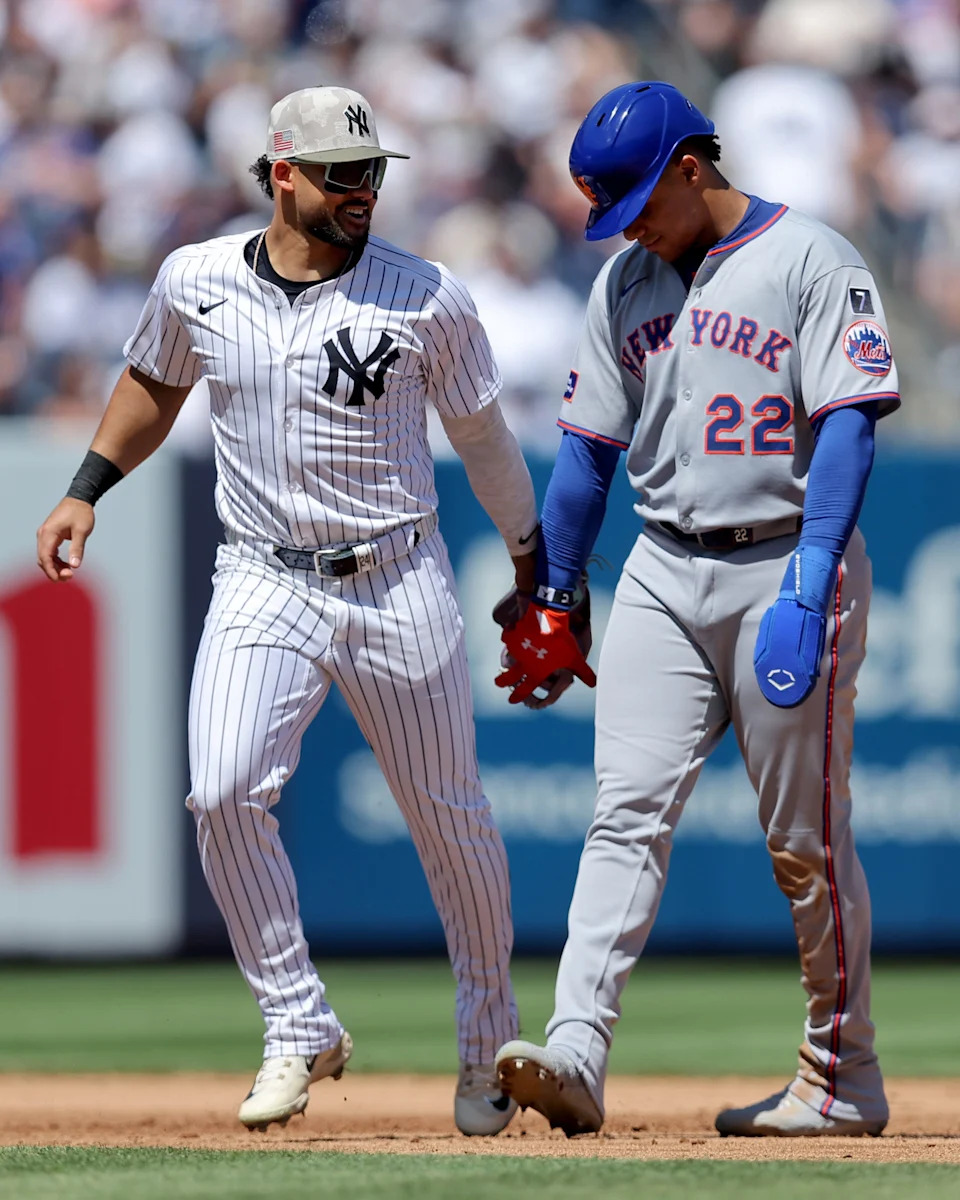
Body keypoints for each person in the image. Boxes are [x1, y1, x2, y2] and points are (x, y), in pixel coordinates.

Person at [36, 85, 538, 1138]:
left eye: (373, 171)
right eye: (339, 172)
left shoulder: (427, 296)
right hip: (264, 573)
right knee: (219, 791)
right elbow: (151, 383)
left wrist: (533, 557)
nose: (362, 190)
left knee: (449, 819)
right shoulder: (198, 277)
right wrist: (85, 486)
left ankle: (487, 1045)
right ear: (280, 174)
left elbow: (484, 437)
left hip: (399, 574)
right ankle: (295, 1023)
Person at [492, 81, 899, 1138]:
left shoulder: (811, 256)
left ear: (690, 165)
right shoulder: (627, 280)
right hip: (666, 571)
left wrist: (814, 577)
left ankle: (840, 1074)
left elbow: (851, 423)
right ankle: (576, 1047)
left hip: (783, 563)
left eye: (636, 202)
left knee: (801, 842)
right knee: (622, 815)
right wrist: (557, 591)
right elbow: (586, 452)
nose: (627, 228)